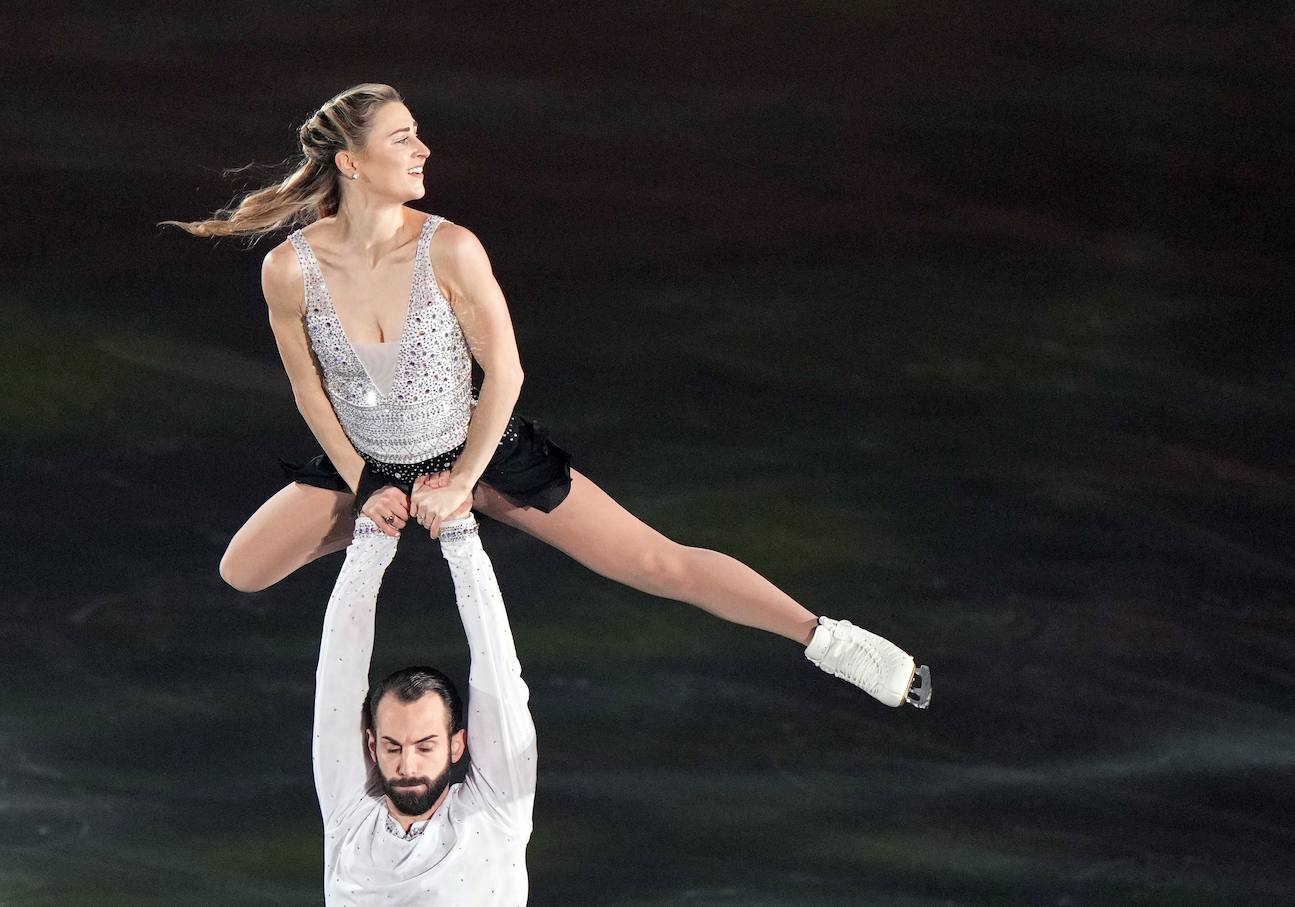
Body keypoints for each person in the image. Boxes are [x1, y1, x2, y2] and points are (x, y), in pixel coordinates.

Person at [160, 82, 932, 711]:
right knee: (243, 569)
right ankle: (388, 518)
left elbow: (507, 373)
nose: (423, 149)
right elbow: (309, 389)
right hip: (366, 460)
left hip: (477, 454)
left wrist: (461, 481)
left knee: (655, 562)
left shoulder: (450, 248)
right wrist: (368, 487)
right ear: (351, 162)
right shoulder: (289, 269)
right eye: (403, 138)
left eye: (418, 134)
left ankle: (834, 641)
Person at [314, 511, 535, 904]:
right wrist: (373, 536)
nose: (407, 766)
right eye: (393, 747)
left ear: (456, 744)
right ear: (372, 746)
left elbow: (497, 670)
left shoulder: (494, 812)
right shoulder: (350, 816)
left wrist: (458, 533)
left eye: (425, 746)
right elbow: (338, 675)